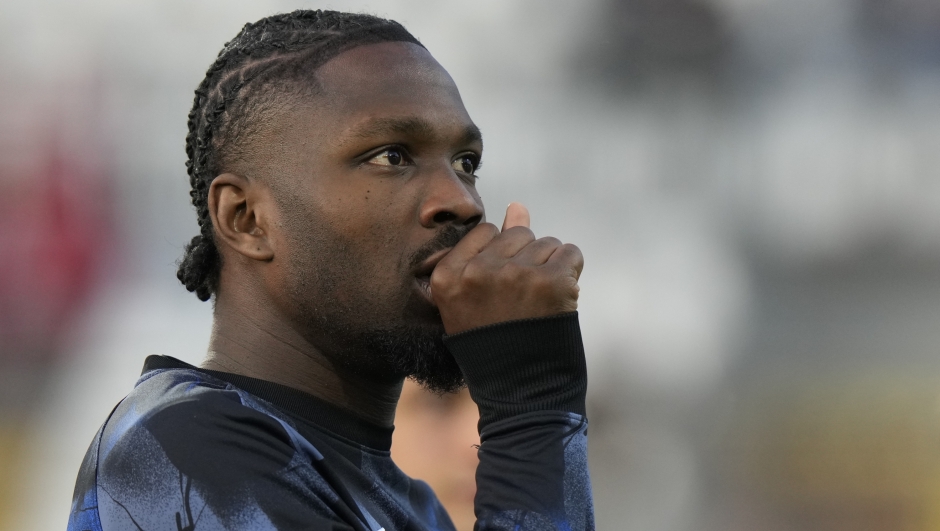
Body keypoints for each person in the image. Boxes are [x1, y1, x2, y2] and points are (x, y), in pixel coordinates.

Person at [68, 9, 592, 531]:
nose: (462, 201)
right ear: (246, 219)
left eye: (465, 163)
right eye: (391, 156)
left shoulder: (418, 510)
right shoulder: (179, 445)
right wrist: (533, 405)